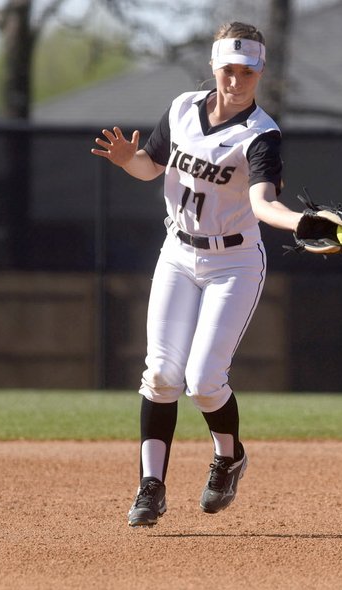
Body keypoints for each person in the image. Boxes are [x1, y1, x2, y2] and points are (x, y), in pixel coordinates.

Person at [91, 21, 304, 527]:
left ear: (260, 72)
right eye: (229, 69)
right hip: (178, 254)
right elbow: (151, 167)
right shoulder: (184, 107)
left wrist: (300, 222)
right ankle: (150, 487)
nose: (237, 80)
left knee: (205, 381)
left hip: (233, 262)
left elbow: (262, 202)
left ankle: (229, 457)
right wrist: (129, 161)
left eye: (247, 72)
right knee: (162, 374)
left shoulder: (261, 134)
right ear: (214, 67)